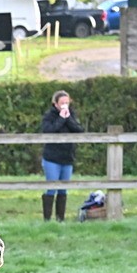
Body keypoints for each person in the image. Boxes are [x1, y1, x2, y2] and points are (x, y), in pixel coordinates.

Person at [40, 89, 82, 221]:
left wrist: (68, 118)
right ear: (55, 104)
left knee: (63, 190)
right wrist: (61, 119)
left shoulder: (71, 114)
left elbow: (79, 130)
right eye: (62, 102)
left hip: (67, 158)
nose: (65, 105)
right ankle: (47, 220)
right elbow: (48, 131)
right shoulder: (49, 116)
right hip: (52, 158)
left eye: (67, 102)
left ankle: (60, 219)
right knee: (51, 188)